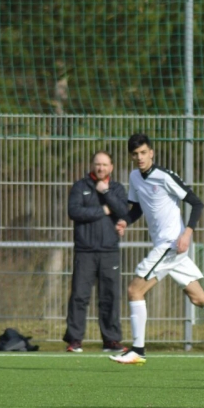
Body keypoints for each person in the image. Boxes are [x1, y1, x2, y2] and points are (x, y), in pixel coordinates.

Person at [110, 133, 204, 364]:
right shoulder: (134, 177)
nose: (140, 157)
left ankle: (138, 350)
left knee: (134, 290)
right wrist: (125, 222)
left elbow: (196, 202)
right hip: (166, 247)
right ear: (131, 156)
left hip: (171, 244)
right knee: (198, 298)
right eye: (135, 154)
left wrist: (187, 234)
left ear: (151, 153)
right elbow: (138, 208)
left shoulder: (164, 176)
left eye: (143, 152)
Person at [63, 151, 128, 353]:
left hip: (109, 251)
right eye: (98, 164)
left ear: (111, 167)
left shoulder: (116, 189)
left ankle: (111, 340)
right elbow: (75, 212)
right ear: (92, 165)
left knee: (110, 296)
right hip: (85, 251)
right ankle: (75, 340)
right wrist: (104, 210)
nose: (101, 168)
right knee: (79, 296)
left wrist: (106, 192)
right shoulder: (80, 187)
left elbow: (123, 211)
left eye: (105, 164)